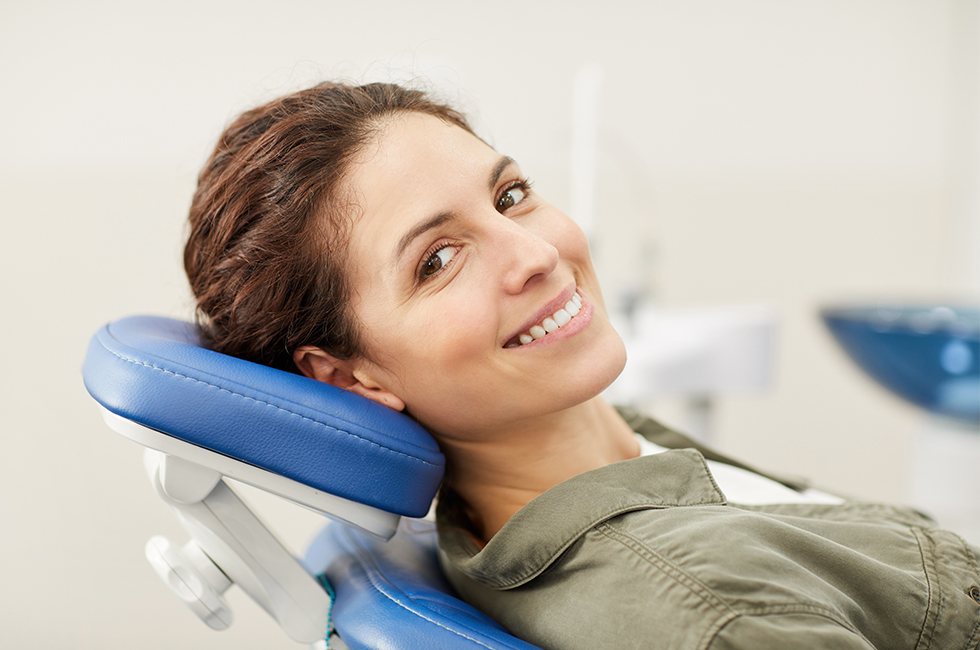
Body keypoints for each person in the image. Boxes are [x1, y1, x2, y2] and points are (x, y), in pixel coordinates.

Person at [183, 81, 980, 649]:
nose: (536, 253)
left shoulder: (612, 450)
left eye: (510, 196)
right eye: (438, 260)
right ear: (353, 378)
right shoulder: (715, 613)